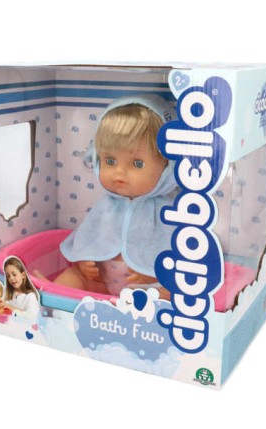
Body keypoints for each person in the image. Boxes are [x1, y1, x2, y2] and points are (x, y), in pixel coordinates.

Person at [54, 95, 176, 298]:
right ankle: (52, 306)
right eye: (110, 161)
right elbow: (89, 238)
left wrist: (152, 275)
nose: (119, 172)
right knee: (71, 278)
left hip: (146, 289)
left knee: (170, 293)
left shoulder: (169, 212)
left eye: (137, 163)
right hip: (102, 282)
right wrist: (84, 262)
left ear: (168, 165)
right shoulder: (106, 206)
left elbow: (178, 257)